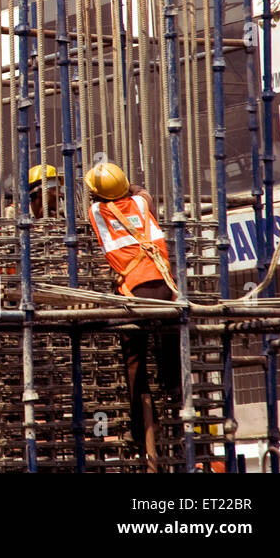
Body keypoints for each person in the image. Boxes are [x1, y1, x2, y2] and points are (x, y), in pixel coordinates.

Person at [83, 160, 180, 472]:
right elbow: (142, 192)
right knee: (169, 340)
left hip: (136, 293)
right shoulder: (140, 202)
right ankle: (172, 385)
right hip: (166, 288)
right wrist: (126, 188)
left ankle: (140, 427)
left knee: (134, 360)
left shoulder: (96, 213)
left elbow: (100, 201)